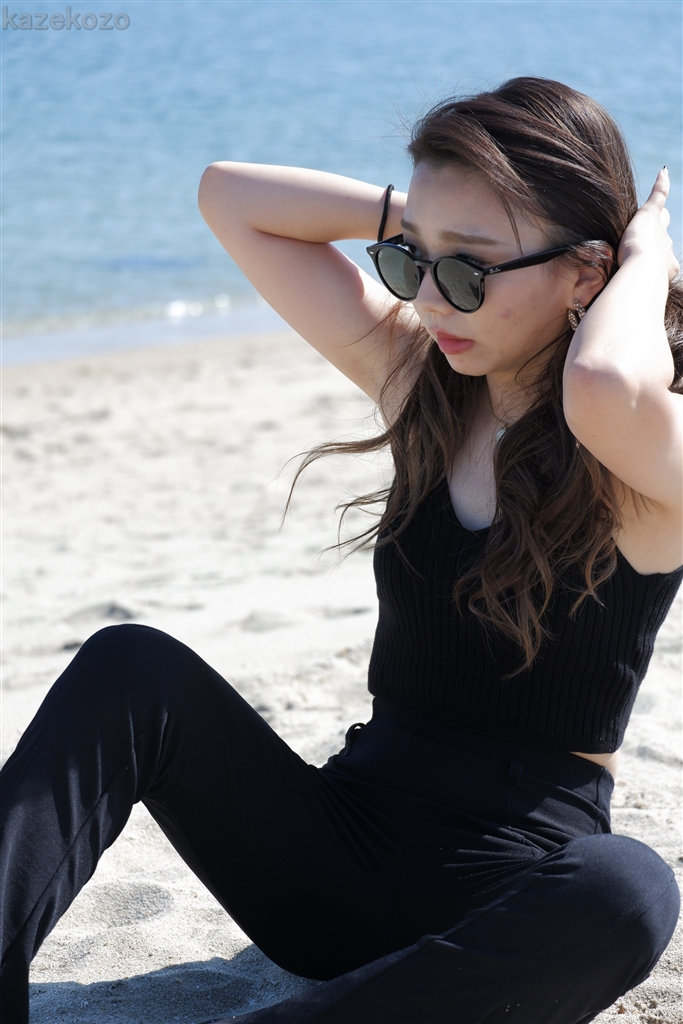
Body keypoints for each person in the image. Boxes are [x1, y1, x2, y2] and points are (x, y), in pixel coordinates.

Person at [1, 77, 681, 1024]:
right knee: (130, 664)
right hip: (333, 860)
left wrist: (645, 252)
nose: (431, 300)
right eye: (412, 262)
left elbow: (602, 380)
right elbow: (231, 199)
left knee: (631, 889)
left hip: (503, 903)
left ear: (584, 275)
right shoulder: (424, 390)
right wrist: (429, 219)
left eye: (468, 271)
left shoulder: (649, 464)